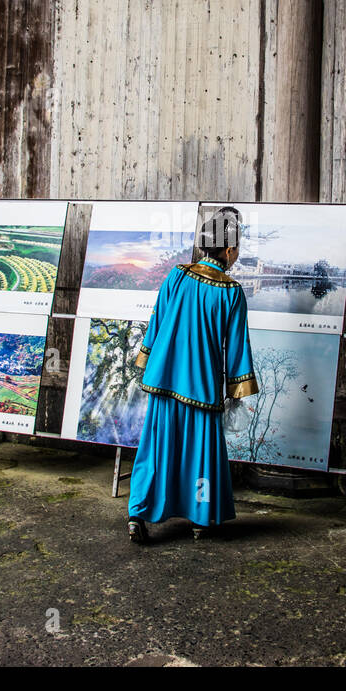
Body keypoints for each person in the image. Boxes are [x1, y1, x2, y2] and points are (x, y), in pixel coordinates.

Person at [127, 206, 258, 542]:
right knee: (201, 455)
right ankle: (200, 520)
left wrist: (146, 360)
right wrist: (236, 389)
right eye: (237, 248)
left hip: (164, 379)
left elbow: (157, 322)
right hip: (202, 386)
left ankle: (138, 516)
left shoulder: (177, 276)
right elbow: (238, 347)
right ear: (229, 250)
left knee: (157, 450)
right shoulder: (231, 292)